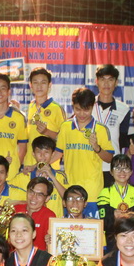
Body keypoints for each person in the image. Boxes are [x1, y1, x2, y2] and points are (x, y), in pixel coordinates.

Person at [52, 87, 114, 218]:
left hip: (92, 193)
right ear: (73, 106)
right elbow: (58, 153)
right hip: (70, 190)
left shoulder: (100, 129)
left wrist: (97, 148)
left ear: (93, 106)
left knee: (91, 229)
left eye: (86, 109)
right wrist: (41, 166)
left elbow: (109, 158)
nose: (81, 114)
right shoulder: (65, 127)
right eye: (78, 109)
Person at [91, 64, 132, 187]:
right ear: (96, 81)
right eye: (102, 79)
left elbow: (122, 141)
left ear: (116, 82)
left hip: (112, 167)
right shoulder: (87, 105)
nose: (106, 84)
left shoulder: (123, 109)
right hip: (89, 165)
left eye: (110, 79)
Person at [10, 135, 68, 218]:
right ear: (33, 154)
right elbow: (7, 198)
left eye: (46, 152)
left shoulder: (60, 176)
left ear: (52, 154)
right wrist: (24, 202)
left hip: (53, 221)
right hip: (29, 222)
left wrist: (52, 177)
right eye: (39, 152)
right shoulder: (24, 176)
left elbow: (68, 198)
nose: (42, 156)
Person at [97, 154, 134, 252]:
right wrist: (113, 215)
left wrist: (131, 216)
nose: (122, 172)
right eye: (117, 168)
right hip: (112, 238)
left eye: (126, 168)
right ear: (111, 172)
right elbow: (103, 220)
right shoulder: (105, 192)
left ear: (131, 172)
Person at [22, 67, 66, 168]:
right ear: (31, 85)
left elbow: (65, 140)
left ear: (49, 85)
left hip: (48, 167)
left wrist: (47, 132)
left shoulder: (56, 109)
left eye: (43, 82)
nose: (39, 86)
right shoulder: (31, 106)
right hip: (30, 165)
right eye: (35, 82)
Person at [13, 177, 56, 250]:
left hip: (38, 257)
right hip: (13, 255)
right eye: (31, 192)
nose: (33, 197)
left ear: (47, 198)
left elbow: (51, 247)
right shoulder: (15, 210)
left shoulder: (49, 216)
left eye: (39, 195)